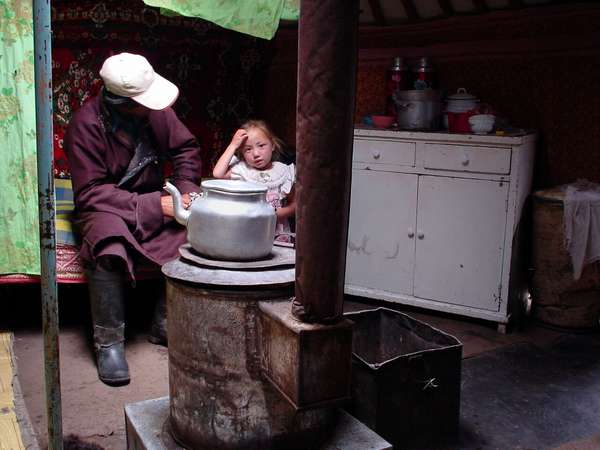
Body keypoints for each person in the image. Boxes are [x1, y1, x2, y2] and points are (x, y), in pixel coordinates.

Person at [64, 53, 202, 385]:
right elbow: (91, 193)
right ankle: (109, 344)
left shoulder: (157, 113)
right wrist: (159, 206)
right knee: (108, 245)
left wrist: (182, 194)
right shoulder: (84, 126)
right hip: (106, 207)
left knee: (193, 237)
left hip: (153, 199)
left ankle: (163, 323)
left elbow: (186, 150)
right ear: (120, 103)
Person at [212, 120, 296, 240]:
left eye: (261, 145)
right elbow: (217, 173)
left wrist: (276, 214)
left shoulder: (284, 171)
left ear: (272, 145)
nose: (256, 153)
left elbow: (295, 204)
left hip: (277, 232)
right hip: (249, 231)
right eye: (248, 149)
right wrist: (233, 145)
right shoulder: (242, 170)